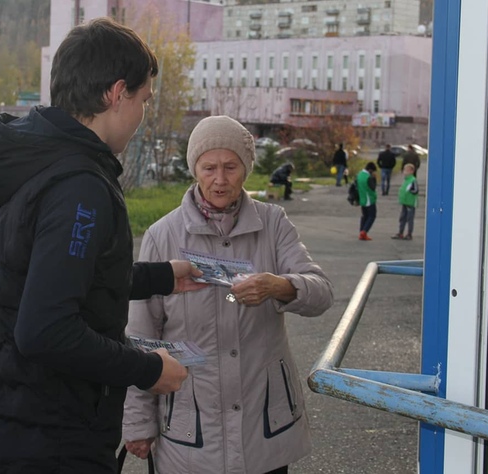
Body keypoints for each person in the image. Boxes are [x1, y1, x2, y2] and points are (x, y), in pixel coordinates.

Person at [0, 17, 207, 473]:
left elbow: (49, 275)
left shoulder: (36, 159)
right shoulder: (79, 186)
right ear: (116, 93)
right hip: (47, 441)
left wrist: (161, 276)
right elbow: (46, 329)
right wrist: (149, 369)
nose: (143, 113)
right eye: (144, 99)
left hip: (4, 428)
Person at [122, 115, 334, 474]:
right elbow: (141, 335)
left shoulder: (273, 223)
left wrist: (279, 286)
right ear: (195, 169)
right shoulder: (163, 235)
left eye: (231, 167)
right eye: (209, 167)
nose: (219, 180)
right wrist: (138, 423)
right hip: (190, 424)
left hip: (262, 422)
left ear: (246, 169)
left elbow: (321, 292)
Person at [391, 163, 419, 240]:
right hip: (405, 202)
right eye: (404, 170)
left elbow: (416, 190)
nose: (404, 172)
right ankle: (400, 232)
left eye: (406, 170)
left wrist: (410, 191)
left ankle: (409, 234)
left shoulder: (413, 180)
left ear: (411, 171)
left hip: (410, 203)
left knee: (410, 219)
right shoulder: (406, 180)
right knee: (402, 218)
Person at [357, 162, 378, 241]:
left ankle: (361, 231)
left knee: (364, 216)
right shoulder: (368, 177)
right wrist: (374, 179)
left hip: (362, 198)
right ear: (370, 170)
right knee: (372, 216)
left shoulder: (359, 175)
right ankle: (364, 231)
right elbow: (373, 187)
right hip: (369, 199)